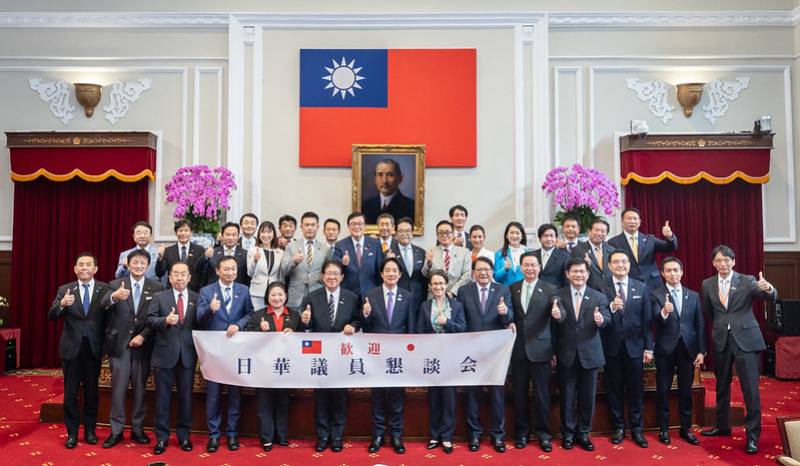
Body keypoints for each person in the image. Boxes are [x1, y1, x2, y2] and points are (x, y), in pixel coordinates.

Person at [700, 245, 776, 455]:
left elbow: (769, 296)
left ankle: (752, 437)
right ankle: (722, 426)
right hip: (721, 340)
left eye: (726, 260)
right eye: (718, 261)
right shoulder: (707, 284)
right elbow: (709, 312)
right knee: (721, 387)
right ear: (714, 263)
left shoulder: (748, 280)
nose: (722, 264)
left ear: (733, 262)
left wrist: (768, 287)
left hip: (747, 341)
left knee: (750, 390)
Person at [100, 249, 164, 448]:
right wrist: (114, 297)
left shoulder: (157, 287)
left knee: (140, 390)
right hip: (119, 346)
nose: (139, 266)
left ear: (148, 265)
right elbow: (102, 306)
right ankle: (116, 430)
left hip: (143, 346)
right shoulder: (114, 284)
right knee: (118, 390)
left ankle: (137, 429)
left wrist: (143, 336)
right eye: (135, 262)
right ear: (127, 263)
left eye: (143, 263)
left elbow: (155, 318)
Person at [48, 252, 109, 449]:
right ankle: (72, 433)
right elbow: (52, 315)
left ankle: (90, 431)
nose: (84, 268)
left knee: (92, 393)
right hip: (71, 350)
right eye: (80, 265)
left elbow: (109, 319)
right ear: (75, 269)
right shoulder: (65, 289)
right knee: (70, 394)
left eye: (88, 264)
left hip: (93, 349)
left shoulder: (104, 289)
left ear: (95, 269)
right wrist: (61, 305)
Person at [299, 260, 360, 453]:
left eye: (336, 274)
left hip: (342, 355)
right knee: (322, 397)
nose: (332, 277)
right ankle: (323, 435)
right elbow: (306, 328)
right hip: (321, 356)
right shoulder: (312, 297)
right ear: (322, 276)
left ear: (341, 277)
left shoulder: (351, 297)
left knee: (340, 397)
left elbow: (357, 319)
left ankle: (337, 436)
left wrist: (354, 326)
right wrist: (306, 322)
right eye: (328, 274)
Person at [196, 256, 254, 453]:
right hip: (213, 352)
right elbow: (199, 319)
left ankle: (232, 434)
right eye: (226, 269)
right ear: (217, 271)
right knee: (213, 395)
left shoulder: (243, 290)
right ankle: (214, 435)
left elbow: (250, 314)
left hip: (235, 351)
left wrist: (238, 324)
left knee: (234, 395)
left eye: (233, 269)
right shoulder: (206, 291)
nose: (230, 272)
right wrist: (211, 311)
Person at [552, 258, 610, 452]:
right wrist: (558, 316)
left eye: (582, 272)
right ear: (567, 274)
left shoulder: (598, 296)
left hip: (590, 354)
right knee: (567, 396)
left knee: (587, 397)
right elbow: (557, 320)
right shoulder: (558, 296)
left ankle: (583, 433)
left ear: (588, 274)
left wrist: (601, 320)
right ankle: (567, 434)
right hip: (566, 354)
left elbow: (607, 319)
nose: (578, 275)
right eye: (574, 272)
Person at [457, 256, 513, 453]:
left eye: (487, 269)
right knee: (473, 394)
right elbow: (460, 319)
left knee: (497, 394)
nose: (483, 273)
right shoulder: (464, 291)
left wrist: (505, 312)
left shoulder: (502, 290)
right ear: (473, 272)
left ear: (492, 271)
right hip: (471, 349)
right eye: (479, 269)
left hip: (495, 350)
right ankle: (474, 434)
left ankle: (498, 435)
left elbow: (509, 318)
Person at [599, 250, 653, 448]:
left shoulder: (641, 287)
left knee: (636, 390)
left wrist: (649, 347)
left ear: (629, 264)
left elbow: (647, 321)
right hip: (610, 347)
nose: (620, 265)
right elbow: (599, 317)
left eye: (624, 262)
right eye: (616, 262)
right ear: (610, 265)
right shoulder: (601, 286)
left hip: (635, 347)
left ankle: (637, 429)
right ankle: (618, 427)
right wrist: (612, 307)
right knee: (614, 390)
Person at [361, 258, 414, 454]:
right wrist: (365, 315)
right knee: (378, 396)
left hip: (399, 356)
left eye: (395, 271)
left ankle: (397, 436)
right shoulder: (370, 295)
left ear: (400, 275)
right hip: (377, 354)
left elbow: (411, 327)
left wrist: (410, 354)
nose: (391, 273)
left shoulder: (408, 296)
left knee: (397, 397)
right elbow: (365, 328)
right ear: (381, 274)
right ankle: (378, 435)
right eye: (387, 270)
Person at [147, 261, 200, 455]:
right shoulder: (159, 297)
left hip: (187, 356)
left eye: (183, 274)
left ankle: (184, 436)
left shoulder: (196, 297)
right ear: (169, 277)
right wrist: (165, 321)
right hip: (164, 355)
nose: (179, 277)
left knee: (186, 398)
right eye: (175, 274)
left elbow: (201, 322)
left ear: (189, 277)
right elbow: (150, 320)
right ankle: (161, 438)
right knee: (162, 399)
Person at [651, 256, 704, 446]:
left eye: (676, 270)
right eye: (669, 270)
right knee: (662, 390)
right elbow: (653, 321)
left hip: (688, 349)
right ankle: (664, 430)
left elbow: (699, 324)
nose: (673, 273)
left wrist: (701, 351)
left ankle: (686, 429)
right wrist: (664, 312)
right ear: (663, 274)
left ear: (681, 272)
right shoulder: (656, 294)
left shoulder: (693, 295)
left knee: (686, 391)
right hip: (665, 349)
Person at [509, 252, 557, 452]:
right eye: (526, 265)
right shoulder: (512, 288)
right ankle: (521, 433)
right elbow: (509, 314)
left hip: (542, 350)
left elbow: (555, 324)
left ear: (539, 268)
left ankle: (544, 435)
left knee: (542, 395)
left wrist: (554, 351)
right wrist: (509, 319)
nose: (529, 269)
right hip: (518, 350)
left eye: (533, 265)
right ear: (521, 267)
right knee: (519, 394)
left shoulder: (550, 289)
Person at [245, 282, 300, 451]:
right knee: (264, 404)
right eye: (273, 295)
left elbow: (304, 338)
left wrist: (294, 334)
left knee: (283, 402)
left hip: (285, 367)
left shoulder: (294, 315)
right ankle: (266, 438)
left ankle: (282, 436)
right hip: (263, 366)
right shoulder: (258, 315)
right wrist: (260, 331)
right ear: (267, 297)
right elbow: (246, 337)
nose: (277, 298)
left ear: (286, 296)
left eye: (280, 294)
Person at [416, 270, 466, 455]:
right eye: (434, 284)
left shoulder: (457, 305)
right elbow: (419, 330)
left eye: (441, 284)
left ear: (447, 285)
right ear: (430, 286)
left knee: (449, 398)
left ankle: (447, 437)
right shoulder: (424, 306)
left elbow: (463, 328)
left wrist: (448, 323)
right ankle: (434, 435)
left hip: (451, 357)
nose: (438, 287)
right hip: (432, 358)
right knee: (434, 397)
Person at [608, 207, 677, 290]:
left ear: (640, 222)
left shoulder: (650, 239)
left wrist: (670, 237)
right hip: (630, 284)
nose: (632, 221)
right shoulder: (613, 242)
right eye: (629, 218)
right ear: (622, 221)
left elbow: (670, 247)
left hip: (653, 284)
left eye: (635, 219)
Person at [281, 211, 330, 311]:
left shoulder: (325, 248)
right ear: (301, 227)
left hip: (317, 293)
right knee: (295, 326)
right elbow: (284, 271)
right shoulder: (291, 246)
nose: (310, 228)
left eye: (313, 225)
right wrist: (294, 261)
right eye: (307, 225)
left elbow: (328, 271)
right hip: (295, 296)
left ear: (318, 227)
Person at [333, 212, 383, 299]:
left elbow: (379, 270)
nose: (356, 227)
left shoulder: (375, 244)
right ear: (348, 226)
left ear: (365, 226)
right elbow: (334, 266)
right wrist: (342, 262)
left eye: (360, 224)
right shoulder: (340, 245)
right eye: (353, 224)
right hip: (348, 294)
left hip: (371, 293)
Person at [391, 217, 427, 329]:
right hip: (397, 299)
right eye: (401, 231)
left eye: (408, 231)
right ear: (396, 234)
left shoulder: (421, 252)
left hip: (417, 299)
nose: (404, 234)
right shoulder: (389, 252)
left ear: (412, 233)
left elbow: (424, 277)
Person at [422, 220, 472, 298]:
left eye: (448, 232)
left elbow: (467, 275)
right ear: (437, 235)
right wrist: (429, 263)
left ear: (453, 234)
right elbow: (425, 274)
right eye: (441, 233)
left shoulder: (464, 252)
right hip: (434, 296)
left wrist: (452, 293)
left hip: (456, 296)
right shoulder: (431, 252)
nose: (444, 235)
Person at [155, 220, 208, 292]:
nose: (183, 233)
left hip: (194, 292)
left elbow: (203, 273)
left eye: (186, 230)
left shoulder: (199, 250)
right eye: (180, 230)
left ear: (191, 232)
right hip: (172, 291)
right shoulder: (168, 251)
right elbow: (160, 273)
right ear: (176, 233)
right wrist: (160, 258)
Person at [362, 158, 415, 224]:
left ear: (400, 178)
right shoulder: (365, 206)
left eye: (390, 175)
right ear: (375, 179)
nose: (384, 181)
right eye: (380, 175)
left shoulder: (411, 207)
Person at [247, 221, 285, 309]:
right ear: (259, 234)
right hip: (257, 293)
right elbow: (250, 273)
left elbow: (281, 274)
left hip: (274, 293)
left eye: (269, 232)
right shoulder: (253, 250)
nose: (266, 235)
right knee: (258, 318)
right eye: (263, 232)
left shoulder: (279, 252)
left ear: (274, 234)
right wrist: (255, 261)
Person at [572, 218, 616, 291]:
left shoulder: (612, 250)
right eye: (596, 230)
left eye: (603, 231)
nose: (599, 233)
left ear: (607, 234)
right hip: (589, 291)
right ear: (589, 231)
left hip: (609, 291)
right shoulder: (578, 250)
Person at [205, 222, 249, 287]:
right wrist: (205, 256)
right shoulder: (213, 252)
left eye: (234, 235)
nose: (230, 238)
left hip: (237, 292)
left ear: (238, 237)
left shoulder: (245, 254)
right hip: (215, 291)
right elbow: (202, 270)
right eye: (228, 235)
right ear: (222, 236)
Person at [534, 223, 570, 289]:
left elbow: (567, 281)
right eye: (545, 236)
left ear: (556, 238)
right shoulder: (534, 255)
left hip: (556, 295)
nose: (549, 239)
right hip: (536, 295)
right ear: (539, 238)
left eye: (551, 236)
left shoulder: (565, 256)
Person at [493, 221, 529, 286]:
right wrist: (505, 269)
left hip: (524, 291)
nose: (514, 236)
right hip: (506, 292)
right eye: (511, 233)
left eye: (517, 233)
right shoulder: (499, 254)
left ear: (522, 236)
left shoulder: (528, 253)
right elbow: (496, 278)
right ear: (507, 235)